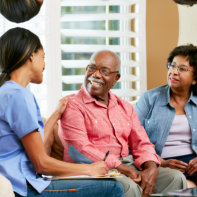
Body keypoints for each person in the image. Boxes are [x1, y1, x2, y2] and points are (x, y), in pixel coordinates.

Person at [0, 27, 124, 197]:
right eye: (43, 58)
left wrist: (56, 114)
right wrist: (89, 169)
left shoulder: (8, 92)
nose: (44, 64)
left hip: (20, 182)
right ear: (31, 56)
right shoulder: (19, 96)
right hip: (24, 187)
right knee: (113, 188)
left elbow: (36, 149)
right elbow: (41, 163)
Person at [58, 49, 187, 197]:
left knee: (175, 178)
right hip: (93, 170)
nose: (96, 75)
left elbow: (141, 142)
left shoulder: (124, 107)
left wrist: (151, 167)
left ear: (116, 78)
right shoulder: (73, 105)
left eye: (104, 71)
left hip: (127, 164)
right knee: (128, 187)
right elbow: (79, 149)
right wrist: (121, 168)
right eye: (92, 68)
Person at [135, 44, 197, 188]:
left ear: (195, 79)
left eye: (182, 69)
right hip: (159, 162)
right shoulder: (149, 98)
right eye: (172, 66)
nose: (173, 72)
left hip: (192, 164)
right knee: (187, 187)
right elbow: (133, 138)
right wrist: (160, 162)